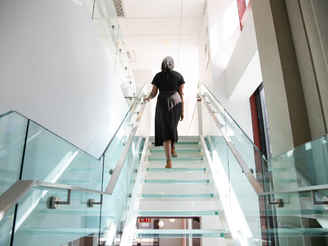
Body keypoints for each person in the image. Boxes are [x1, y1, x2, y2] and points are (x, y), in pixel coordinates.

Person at [143, 56, 185, 168]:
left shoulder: (158, 76)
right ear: (172, 64)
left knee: (165, 130)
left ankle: (169, 162)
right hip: (176, 101)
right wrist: (182, 110)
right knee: (173, 126)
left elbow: (153, 93)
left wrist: (148, 98)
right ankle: (173, 148)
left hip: (162, 102)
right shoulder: (179, 76)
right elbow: (181, 95)